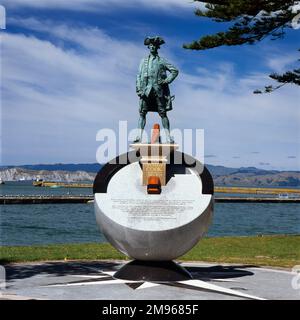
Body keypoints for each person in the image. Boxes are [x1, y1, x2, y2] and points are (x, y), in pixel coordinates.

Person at [134, 36, 179, 143]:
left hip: (159, 90)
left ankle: (168, 137)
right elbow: (138, 76)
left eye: (154, 46)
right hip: (146, 90)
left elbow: (175, 71)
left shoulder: (162, 61)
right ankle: (138, 137)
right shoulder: (143, 61)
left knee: (163, 114)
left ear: (157, 47)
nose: (152, 47)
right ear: (148, 47)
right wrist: (139, 89)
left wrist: (167, 81)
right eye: (150, 46)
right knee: (142, 113)